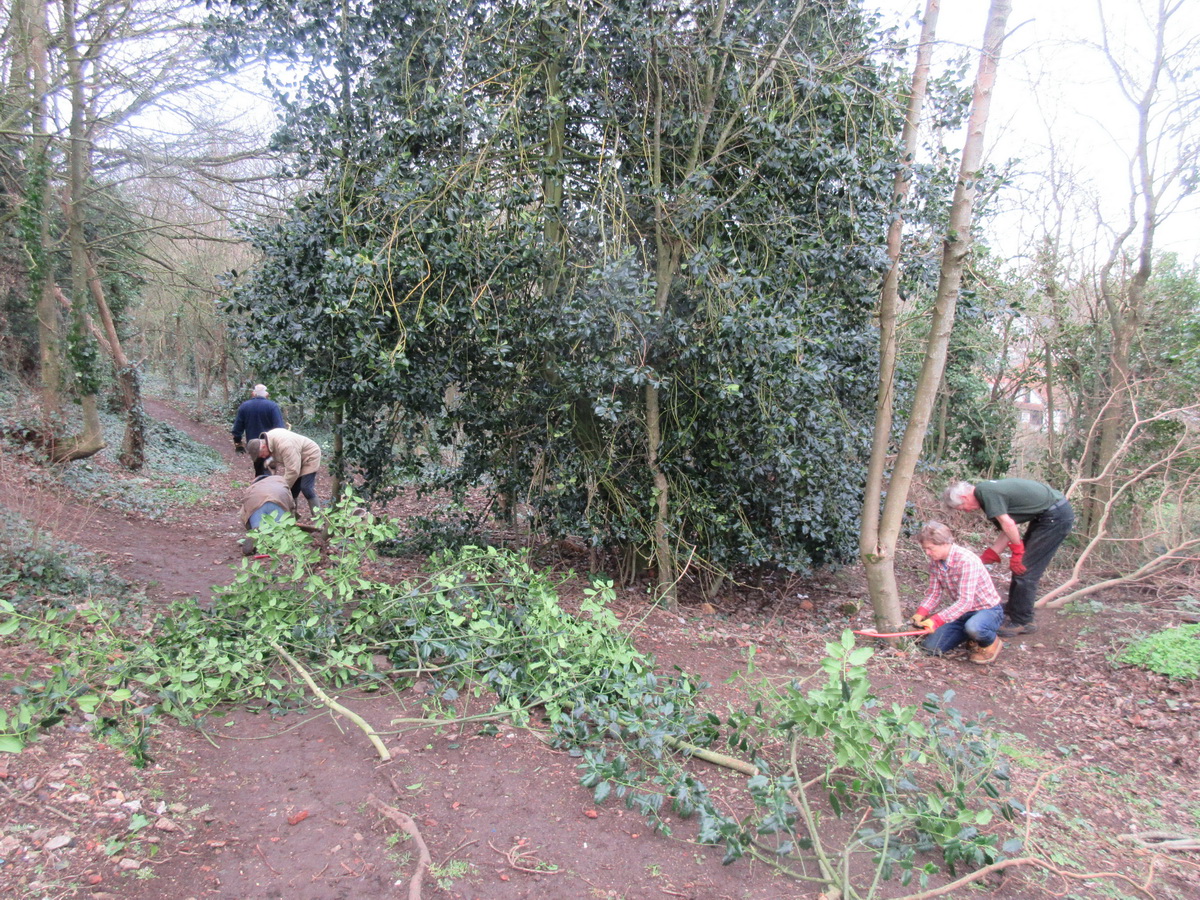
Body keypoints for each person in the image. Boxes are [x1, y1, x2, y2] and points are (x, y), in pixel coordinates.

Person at [942, 478, 1074, 637]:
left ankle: (1024, 621)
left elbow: (1009, 525)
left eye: (962, 507)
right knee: (1021, 567)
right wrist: (991, 554)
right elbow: (1008, 527)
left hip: (1056, 517)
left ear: (964, 498)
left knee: (1025, 570)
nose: (966, 511)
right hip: (1048, 515)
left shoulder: (985, 493)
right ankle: (1014, 608)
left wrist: (1018, 552)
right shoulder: (986, 492)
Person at [910, 521, 1005, 664]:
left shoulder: (966, 561)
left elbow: (965, 601)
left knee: (975, 627)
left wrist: (936, 620)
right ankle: (970, 636)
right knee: (930, 648)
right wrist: (921, 612)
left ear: (944, 543)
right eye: (925, 549)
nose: (927, 553)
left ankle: (990, 642)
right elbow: (934, 593)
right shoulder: (935, 563)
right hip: (962, 613)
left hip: (987, 610)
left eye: (930, 548)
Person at [245, 428, 322, 517]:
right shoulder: (269, 441)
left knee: (306, 488)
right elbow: (276, 453)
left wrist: (281, 489)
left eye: (261, 454)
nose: (263, 457)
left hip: (310, 455)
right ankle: (291, 518)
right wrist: (271, 463)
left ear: (263, 447)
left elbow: (293, 471)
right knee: (292, 490)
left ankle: (318, 517)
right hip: (296, 457)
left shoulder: (285, 445)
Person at [231, 385, 285, 477]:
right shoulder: (272, 406)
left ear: (253, 394)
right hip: (270, 445)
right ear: (266, 394)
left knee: (259, 470)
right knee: (269, 470)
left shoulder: (245, 406)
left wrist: (238, 444)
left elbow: (237, 429)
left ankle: (261, 483)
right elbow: (279, 428)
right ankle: (267, 483)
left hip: (254, 445)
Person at [238, 473, 296, 555]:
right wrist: (291, 524)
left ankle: (256, 534)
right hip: (278, 499)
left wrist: (249, 528)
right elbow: (292, 506)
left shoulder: (253, 487)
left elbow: (244, 511)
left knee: (257, 528)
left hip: (255, 501)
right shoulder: (281, 481)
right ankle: (276, 540)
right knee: (279, 530)